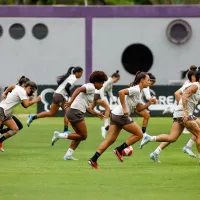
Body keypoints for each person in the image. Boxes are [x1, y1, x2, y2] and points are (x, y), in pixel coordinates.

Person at [88, 72, 156, 169]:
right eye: (148, 80)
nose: (149, 82)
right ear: (142, 80)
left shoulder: (139, 92)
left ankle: (93, 159)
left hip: (115, 115)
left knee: (110, 140)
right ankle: (119, 150)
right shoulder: (136, 89)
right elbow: (121, 92)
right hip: (121, 116)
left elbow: (138, 109)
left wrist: (149, 103)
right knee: (140, 134)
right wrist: (124, 108)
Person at [140, 70, 200, 164]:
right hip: (184, 114)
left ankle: (150, 138)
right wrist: (185, 112)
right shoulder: (195, 86)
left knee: (172, 138)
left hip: (181, 113)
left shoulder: (196, 87)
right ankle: (190, 149)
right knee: (199, 134)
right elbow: (183, 96)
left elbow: (195, 100)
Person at [51, 71, 108, 160]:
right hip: (75, 112)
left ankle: (68, 155)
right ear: (96, 82)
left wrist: (97, 113)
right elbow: (78, 89)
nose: (103, 85)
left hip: (75, 112)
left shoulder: (91, 89)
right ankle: (59, 135)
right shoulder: (91, 87)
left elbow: (88, 108)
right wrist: (70, 101)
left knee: (79, 135)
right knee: (83, 136)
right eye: (102, 82)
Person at [27, 67, 83, 133]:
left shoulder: (71, 76)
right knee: (68, 112)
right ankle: (65, 130)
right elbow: (67, 87)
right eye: (81, 73)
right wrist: (69, 94)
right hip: (59, 96)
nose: (81, 75)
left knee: (52, 113)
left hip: (58, 95)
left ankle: (33, 117)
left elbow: (64, 86)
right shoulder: (73, 78)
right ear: (77, 73)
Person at [0, 81, 40, 147]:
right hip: (1, 110)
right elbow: (26, 105)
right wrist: (36, 100)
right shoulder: (22, 92)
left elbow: (12, 85)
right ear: (29, 88)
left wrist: (5, 92)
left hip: (6, 113)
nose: (32, 93)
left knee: (15, 129)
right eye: (32, 91)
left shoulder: (19, 89)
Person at [0, 76, 30, 152]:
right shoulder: (16, 89)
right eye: (27, 85)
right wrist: (5, 93)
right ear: (23, 84)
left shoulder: (21, 91)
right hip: (2, 110)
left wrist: (30, 97)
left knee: (18, 126)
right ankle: (0, 143)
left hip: (7, 112)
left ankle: (1, 137)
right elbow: (25, 105)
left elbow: (25, 105)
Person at [90, 70, 120, 139]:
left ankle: (77, 117)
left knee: (89, 109)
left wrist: (114, 100)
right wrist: (103, 98)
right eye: (117, 79)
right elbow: (102, 88)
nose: (117, 81)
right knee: (107, 108)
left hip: (96, 95)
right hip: (97, 95)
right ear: (114, 77)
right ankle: (105, 126)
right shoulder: (109, 80)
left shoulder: (111, 83)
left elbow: (109, 92)